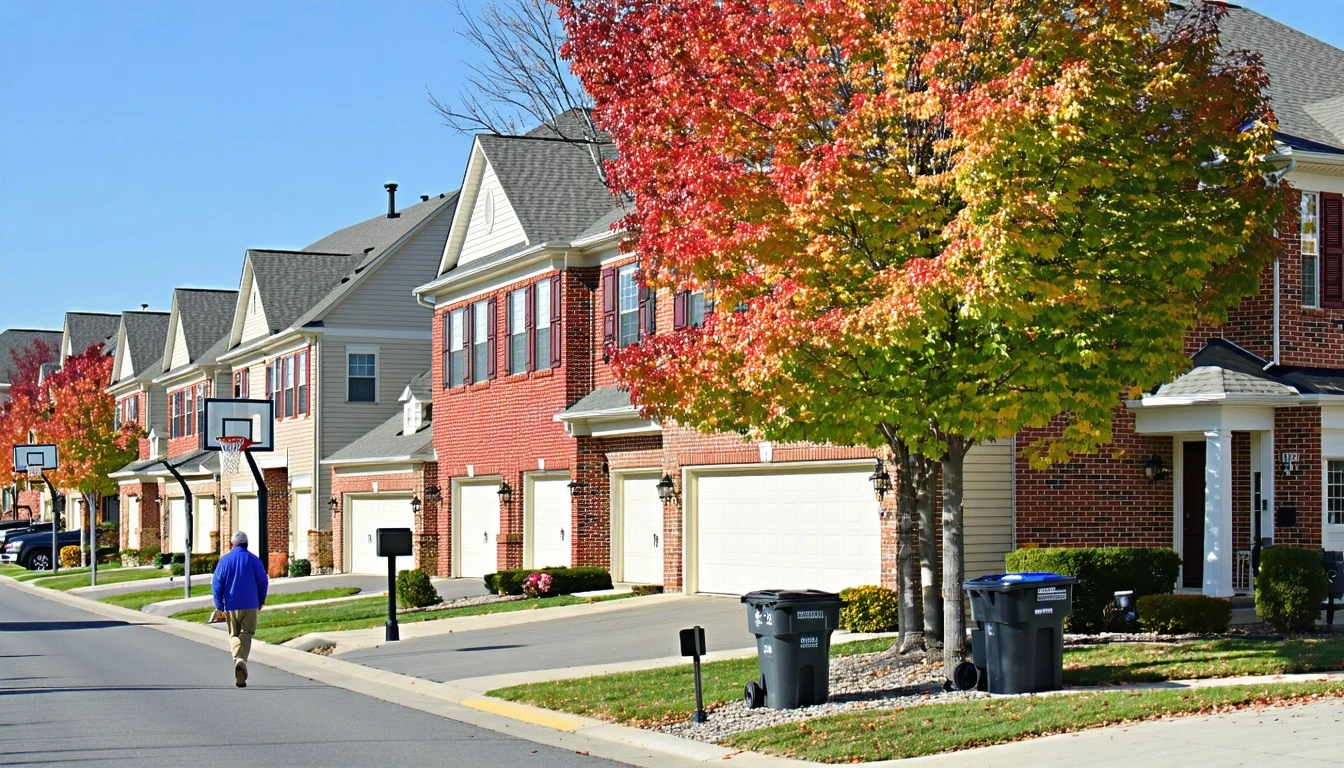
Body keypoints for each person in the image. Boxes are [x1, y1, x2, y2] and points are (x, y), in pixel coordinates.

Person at [211, 530, 268, 687]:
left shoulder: (225, 560)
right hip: (251, 603)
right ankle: (242, 659)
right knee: (247, 633)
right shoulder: (254, 560)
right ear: (246, 543)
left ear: (232, 544)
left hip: (232, 604)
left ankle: (237, 658)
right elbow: (263, 581)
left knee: (234, 634)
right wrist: (261, 600)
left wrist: (219, 604)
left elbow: (217, 584)